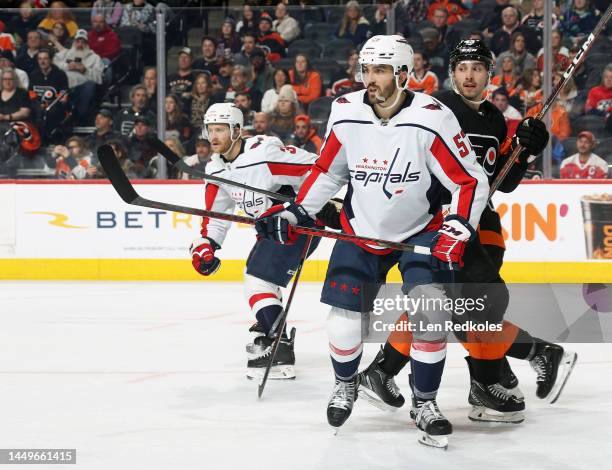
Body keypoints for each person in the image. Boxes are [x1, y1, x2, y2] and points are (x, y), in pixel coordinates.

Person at [255, 35, 489, 446]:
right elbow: (328, 171)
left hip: (421, 230)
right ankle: (346, 384)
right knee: (343, 323)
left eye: (380, 70)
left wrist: (458, 228)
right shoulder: (345, 111)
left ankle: (425, 402)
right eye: (366, 70)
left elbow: (469, 180)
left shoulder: (432, 117)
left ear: (403, 73)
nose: (370, 79)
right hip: (360, 229)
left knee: (430, 315)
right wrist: (297, 211)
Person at [357, 39, 574, 425]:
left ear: (490, 74)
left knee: (463, 304)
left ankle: (399, 372)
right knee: (454, 304)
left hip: (480, 224)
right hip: (440, 221)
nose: (470, 75)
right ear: (452, 73)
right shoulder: (435, 108)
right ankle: (515, 364)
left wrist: (524, 148)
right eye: (462, 68)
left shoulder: (493, 118)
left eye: (477, 68)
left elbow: (501, 182)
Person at [189, 103, 328, 380]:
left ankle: (279, 346)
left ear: (237, 130)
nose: (213, 136)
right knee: (262, 280)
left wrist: (294, 208)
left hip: (298, 225)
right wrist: (206, 243)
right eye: (210, 129)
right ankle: (270, 334)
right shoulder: (216, 168)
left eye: (220, 129)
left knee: (257, 280)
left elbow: (319, 170)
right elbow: (216, 215)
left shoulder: (262, 154)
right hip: (270, 230)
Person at [53, 29, 104, 123]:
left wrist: (85, 70)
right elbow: (53, 63)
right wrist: (66, 66)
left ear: (87, 44)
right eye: (77, 41)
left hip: (82, 87)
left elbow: (99, 78)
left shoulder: (95, 58)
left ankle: (80, 118)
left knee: (89, 86)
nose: (80, 44)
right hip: (64, 86)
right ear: (73, 42)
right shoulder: (65, 54)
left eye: (83, 42)